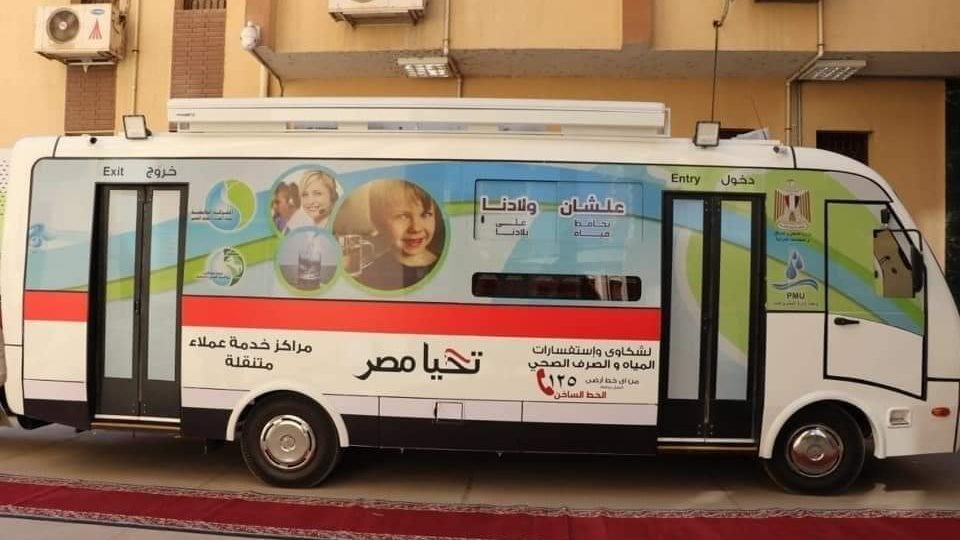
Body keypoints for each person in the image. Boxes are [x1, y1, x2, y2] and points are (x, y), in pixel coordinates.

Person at [357, 179, 442, 291]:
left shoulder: (448, 265)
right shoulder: (371, 274)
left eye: (425, 214)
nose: (416, 228)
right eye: (403, 216)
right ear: (378, 222)